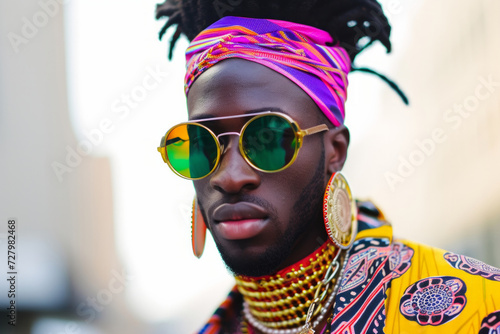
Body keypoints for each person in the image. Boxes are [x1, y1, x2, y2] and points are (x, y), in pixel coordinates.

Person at [155, 1, 500, 333]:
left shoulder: (479, 312)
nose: (229, 176)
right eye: (202, 144)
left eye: (269, 139)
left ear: (335, 151)